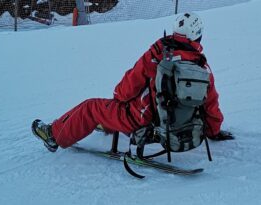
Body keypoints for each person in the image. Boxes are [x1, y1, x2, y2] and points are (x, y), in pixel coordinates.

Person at [32, 12, 233, 153]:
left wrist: (118, 98)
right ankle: (108, 125)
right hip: (176, 126)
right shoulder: (202, 67)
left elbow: (124, 91)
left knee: (91, 107)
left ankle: (53, 135)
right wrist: (212, 131)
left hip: (142, 121)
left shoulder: (157, 55)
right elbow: (211, 105)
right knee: (110, 110)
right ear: (198, 36)